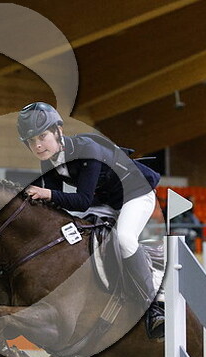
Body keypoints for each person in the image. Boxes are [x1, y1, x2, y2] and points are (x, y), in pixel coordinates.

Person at [17, 102, 164, 339]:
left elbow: (82, 201)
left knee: (124, 239)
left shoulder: (88, 150)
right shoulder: (48, 160)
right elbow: (55, 205)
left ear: (58, 131)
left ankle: (153, 307)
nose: (38, 145)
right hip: (107, 199)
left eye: (42, 136)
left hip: (136, 192)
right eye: (31, 141)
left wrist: (46, 193)